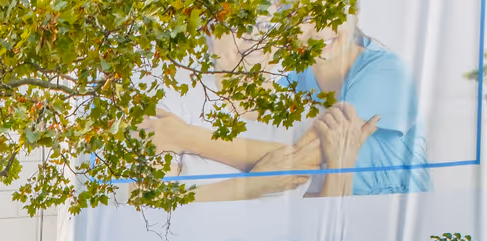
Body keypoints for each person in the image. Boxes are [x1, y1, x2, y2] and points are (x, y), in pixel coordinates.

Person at [142, 13, 431, 201]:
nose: (251, 35)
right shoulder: (168, 99)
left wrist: (186, 138)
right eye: (233, 24)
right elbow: (149, 206)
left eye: (263, 25)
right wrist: (254, 185)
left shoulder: (383, 73)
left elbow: (305, 162)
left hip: (398, 220)